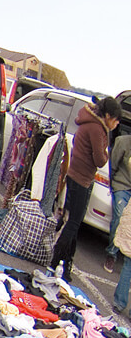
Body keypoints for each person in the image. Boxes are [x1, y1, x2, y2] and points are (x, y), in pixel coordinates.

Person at [51, 97, 123, 281]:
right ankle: (54, 262)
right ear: (108, 116)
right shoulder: (97, 129)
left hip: (75, 176)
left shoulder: (87, 121)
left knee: (72, 221)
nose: (116, 124)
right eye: (115, 120)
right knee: (73, 223)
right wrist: (106, 151)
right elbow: (100, 160)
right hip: (82, 180)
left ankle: (66, 266)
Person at [105, 133, 131, 273]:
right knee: (120, 216)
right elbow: (112, 166)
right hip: (122, 186)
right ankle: (111, 254)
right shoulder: (123, 141)